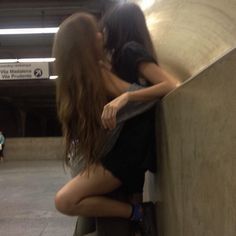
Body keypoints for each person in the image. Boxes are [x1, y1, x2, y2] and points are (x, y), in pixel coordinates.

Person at [53, 11, 177, 236]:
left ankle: (138, 213)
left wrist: (126, 98)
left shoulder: (101, 73)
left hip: (121, 161)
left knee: (65, 201)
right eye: (96, 33)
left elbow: (140, 98)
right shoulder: (87, 78)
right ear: (85, 42)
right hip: (112, 159)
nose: (101, 36)